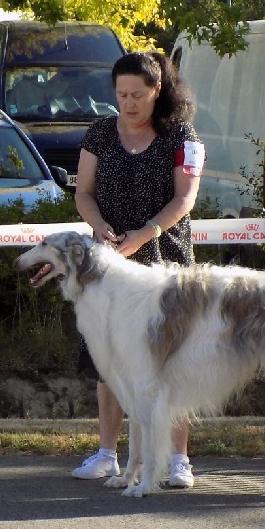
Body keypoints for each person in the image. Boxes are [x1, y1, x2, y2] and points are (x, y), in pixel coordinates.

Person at [71, 51, 204, 488]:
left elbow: (185, 199)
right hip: (107, 267)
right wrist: (100, 227)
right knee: (109, 362)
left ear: (157, 90)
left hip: (165, 263)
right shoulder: (99, 133)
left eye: (137, 95)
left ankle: (178, 459)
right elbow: (83, 193)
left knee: (173, 361)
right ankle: (106, 453)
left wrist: (143, 234)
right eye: (120, 95)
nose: (128, 103)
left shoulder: (180, 135)